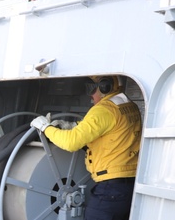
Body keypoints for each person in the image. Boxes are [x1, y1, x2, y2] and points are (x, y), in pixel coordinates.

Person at [30, 76, 142, 220]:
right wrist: (72, 126)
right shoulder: (128, 105)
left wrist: (46, 128)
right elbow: (106, 128)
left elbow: (71, 143)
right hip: (129, 184)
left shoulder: (103, 110)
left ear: (104, 87)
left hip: (110, 189)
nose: (90, 94)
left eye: (92, 88)